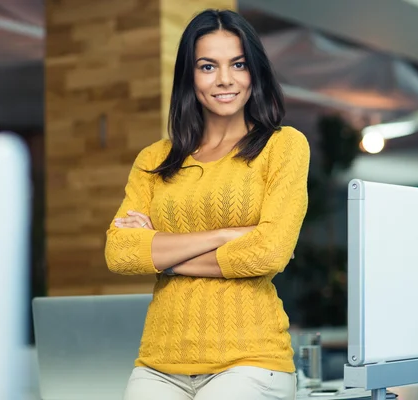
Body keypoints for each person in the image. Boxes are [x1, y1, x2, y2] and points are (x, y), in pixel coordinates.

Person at [104, 8, 310, 400]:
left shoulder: (283, 146)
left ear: (255, 72)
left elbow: (268, 253)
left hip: (250, 360)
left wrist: (161, 252)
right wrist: (226, 234)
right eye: (207, 66)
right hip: (158, 364)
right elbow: (120, 253)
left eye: (238, 64)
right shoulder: (154, 159)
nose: (225, 79)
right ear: (190, 75)